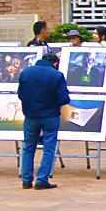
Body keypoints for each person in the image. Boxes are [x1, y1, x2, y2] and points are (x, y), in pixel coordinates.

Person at [17, 53, 70, 190]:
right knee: (49, 147)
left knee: (28, 147)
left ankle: (26, 179)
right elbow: (63, 99)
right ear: (54, 63)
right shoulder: (57, 75)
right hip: (50, 115)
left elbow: (20, 94)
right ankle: (42, 179)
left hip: (31, 115)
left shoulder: (26, 72)